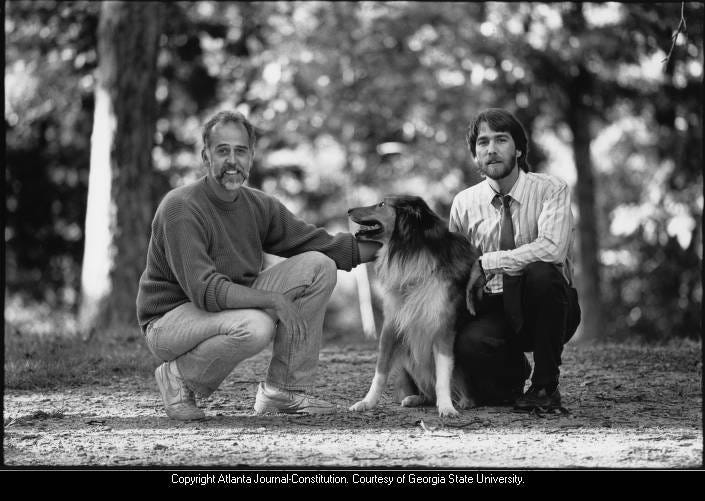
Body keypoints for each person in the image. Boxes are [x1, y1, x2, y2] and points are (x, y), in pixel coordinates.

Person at [136, 110, 380, 420]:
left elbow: (318, 244)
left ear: (251, 156)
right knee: (256, 326)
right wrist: (273, 300)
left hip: (226, 306)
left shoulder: (257, 205)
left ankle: (284, 391)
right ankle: (177, 378)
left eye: (241, 151)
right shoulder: (181, 207)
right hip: (169, 321)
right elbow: (205, 290)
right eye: (222, 150)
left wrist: (395, 247)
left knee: (319, 265)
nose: (232, 161)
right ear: (205, 156)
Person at [449, 108, 581, 410]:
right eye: (483, 143)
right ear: (474, 155)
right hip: (494, 307)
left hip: (548, 305)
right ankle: (512, 375)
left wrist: (487, 262)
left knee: (541, 272)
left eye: (501, 140)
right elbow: (456, 269)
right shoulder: (463, 204)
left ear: (519, 149)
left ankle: (545, 386)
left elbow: (552, 249)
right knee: (469, 344)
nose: (491, 149)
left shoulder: (551, 189)